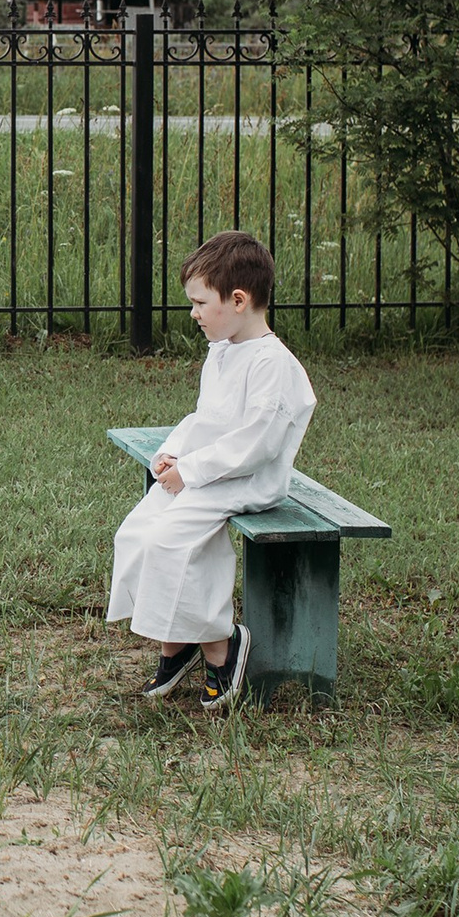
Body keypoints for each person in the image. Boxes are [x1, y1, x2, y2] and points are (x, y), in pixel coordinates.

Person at [108, 230, 314, 711]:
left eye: (200, 303)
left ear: (238, 300)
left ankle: (221, 647)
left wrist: (194, 471)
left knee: (174, 540)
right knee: (138, 532)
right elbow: (206, 418)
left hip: (246, 479)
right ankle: (176, 644)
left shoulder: (271, 365)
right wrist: (174, 452)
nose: (194, 314)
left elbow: (256, 444)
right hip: (208, 471)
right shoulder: (223, 349)